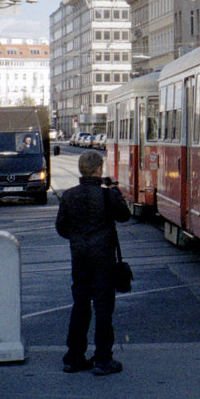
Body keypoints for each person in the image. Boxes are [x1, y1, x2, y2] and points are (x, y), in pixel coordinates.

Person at [55, 150, 131, 375]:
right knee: (103, 307)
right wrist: (116, 192)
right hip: (103, 259)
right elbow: (124, 216)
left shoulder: (69, 195)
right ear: (99, 170)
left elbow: (61, 227)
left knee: (80, 304)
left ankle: (74, 356)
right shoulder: (108, 195)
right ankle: (103, 359)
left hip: (79, 257)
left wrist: (79, 238)